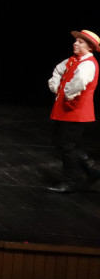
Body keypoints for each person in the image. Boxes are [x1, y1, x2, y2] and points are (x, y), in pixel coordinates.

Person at [45, 30, 99, 193]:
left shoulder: (88, 64)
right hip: (65, 109)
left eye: (80, 42)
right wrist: (55, 86)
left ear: (90, 47)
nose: (75, 43)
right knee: (63, 142)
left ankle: (70, 182)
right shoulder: (72, 61)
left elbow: (80, 82)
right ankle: (92, 168)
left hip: (76, 110)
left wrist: (67, 93)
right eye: (76, 41)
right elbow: (58, 71)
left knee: (66, 145)